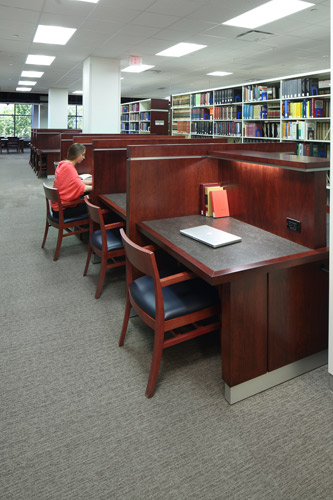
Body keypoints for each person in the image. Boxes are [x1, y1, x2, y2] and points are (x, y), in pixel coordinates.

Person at [50, 143, 92, 219]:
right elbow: (82, 188)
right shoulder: (68, 168)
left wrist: (93, 182)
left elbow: (76, 181)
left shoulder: (64, 164)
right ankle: (87, 229)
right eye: (82, 155)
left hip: (57, 207)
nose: (84, 157)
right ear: (77, 155)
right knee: (92, 204)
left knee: (87, 198)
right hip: (62, 210)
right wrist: (98, 187)